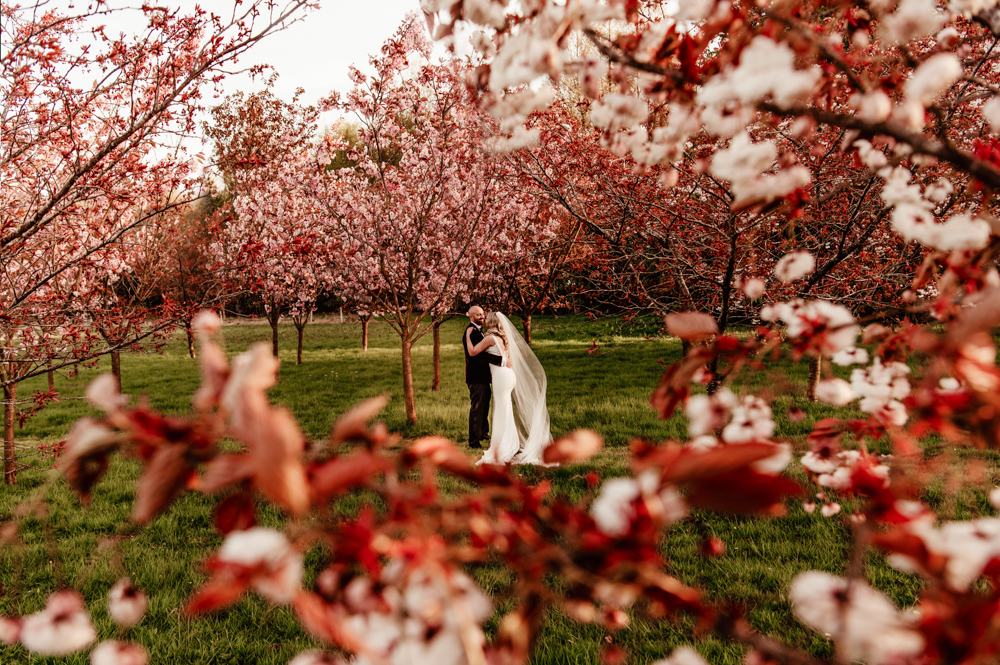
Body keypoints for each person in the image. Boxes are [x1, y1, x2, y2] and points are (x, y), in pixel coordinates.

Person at [467, 311, 553, 466]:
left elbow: (473, 352)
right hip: (508, 375)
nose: (485, 319)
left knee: (501, 410)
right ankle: (509, 443)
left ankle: (503, 446)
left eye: (487, 318)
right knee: (505, 410)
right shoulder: (503, 337)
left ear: (492, 322)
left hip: (501, 377)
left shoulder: (489, 339)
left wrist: (467, 335)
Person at [464, 305, 505, 449]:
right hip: (476, 378)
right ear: (471, 316)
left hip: (484, 377)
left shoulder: (480, 332)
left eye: (483, 314)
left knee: (484, 406)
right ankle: (473, 442)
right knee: (477, 408)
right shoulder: (471, 332)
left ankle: (483, 433)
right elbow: (478, 355)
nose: (482, 317)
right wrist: (500, 361)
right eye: (478, 315)